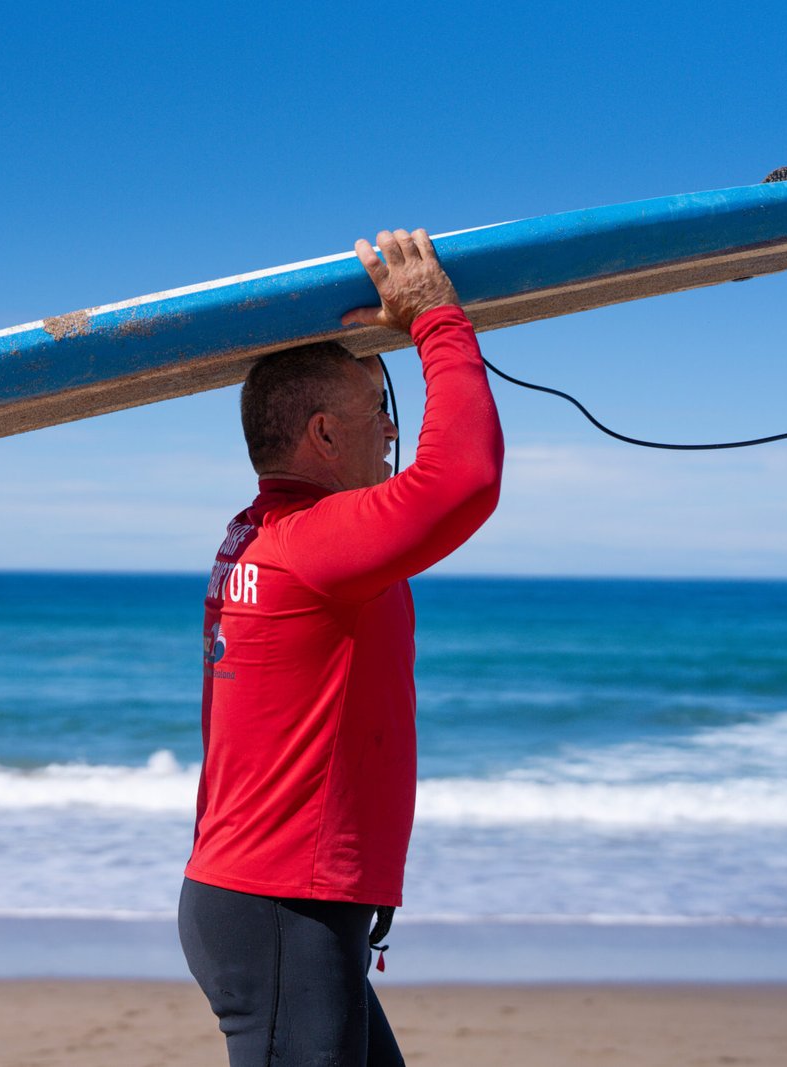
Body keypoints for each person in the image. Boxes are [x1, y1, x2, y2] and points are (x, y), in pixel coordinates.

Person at [179, 229, 504, 1066]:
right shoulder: (313, 542)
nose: (393, 432)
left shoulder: (260, 535)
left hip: (276, 903)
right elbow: (463, 478)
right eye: (377, 412)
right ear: (323, 434)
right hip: (284, 905)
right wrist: (436, 322)